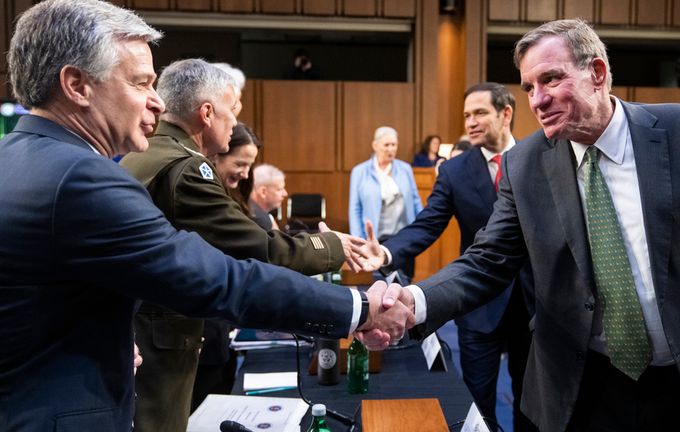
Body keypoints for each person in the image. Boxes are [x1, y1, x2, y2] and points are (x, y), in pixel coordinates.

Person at [0, 1, 411, 430]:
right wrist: (357, 307)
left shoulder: (15, 158)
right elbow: (217, 279)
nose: (157, 102)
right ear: (77, 85)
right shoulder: (83, 178)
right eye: (141, 83)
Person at [365, 19, 680, 432]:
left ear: (597, 73)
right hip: (582, 385)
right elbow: (486, 260)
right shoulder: (525, 165)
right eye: (528, 88)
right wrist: (414, 300)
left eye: (551, 80)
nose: (537, 100)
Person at [120, 58, 383, 432]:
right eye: (232, 110)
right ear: (207, 113)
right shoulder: (187, 169)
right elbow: (258, 249)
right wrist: (331, 248)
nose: (235, 121)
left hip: (145, 332)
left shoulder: (147, 152)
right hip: (160, 339)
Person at [377, 83, 536, 431]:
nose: (471, 122)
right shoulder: (454, 171)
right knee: (478, 405)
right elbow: (427, 225)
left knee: (531, 404)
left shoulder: (538, 159)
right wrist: (387, 249)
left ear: (505, 113)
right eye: (466, 115)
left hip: (532, 305)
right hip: (478, 305)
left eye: (480, 113)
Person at [190, 121, 261, 411]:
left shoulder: (233, 195)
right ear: (217, 154)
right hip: (202, 329)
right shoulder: (203, 195)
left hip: (224, 327)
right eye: (240, 163)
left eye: (250, 166)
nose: (245, 173)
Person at [349, 126, 423, 281]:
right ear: (375, 146)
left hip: (405, 236)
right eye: (386, 145)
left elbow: (416, 200)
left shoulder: (405, 169)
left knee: (406, 281)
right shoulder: (360, 172)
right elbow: (355, 208)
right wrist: (358, 240)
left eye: (394, 145)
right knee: (382, 283)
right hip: (377, 238)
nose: (391, 149)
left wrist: (421, 227)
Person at [250, 164, 288, 231]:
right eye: (279, 189)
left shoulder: (258, 213)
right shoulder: (260, 220)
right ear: (263, 192)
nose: (285, 194)